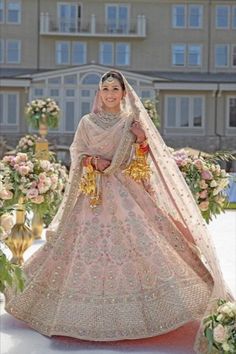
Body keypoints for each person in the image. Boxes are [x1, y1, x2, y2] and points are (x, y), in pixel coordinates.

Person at [4, 70, 233, 353]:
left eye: (115, 88)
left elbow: (140, 166)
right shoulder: (87, 122)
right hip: (93, 195)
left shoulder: (130, 123)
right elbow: (76, 154)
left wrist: (141, 141)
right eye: (105, 89)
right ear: (99, 93)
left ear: (124, 93)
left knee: (147, 246)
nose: (110, 93)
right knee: (80, 251)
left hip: (127, 194)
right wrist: (91, 161)